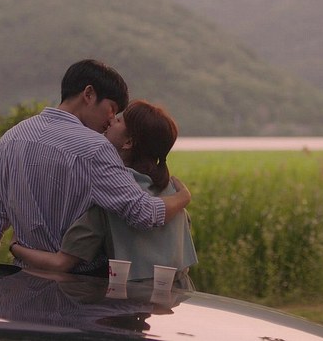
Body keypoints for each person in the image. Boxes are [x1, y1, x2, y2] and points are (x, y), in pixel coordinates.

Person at [0, 60, 191, 266]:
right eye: (112, 108)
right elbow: (142, 212)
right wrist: (182, 197)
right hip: (79, 288)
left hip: (21, 280)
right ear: (89, 94)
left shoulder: (11, 138)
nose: (111, 119)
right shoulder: (95, 148)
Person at [11, 100, 198, 289]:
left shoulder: (111, 197)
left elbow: (61, 264)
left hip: (134, 299)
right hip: (180, 296)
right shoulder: (173, 191)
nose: (111, 120)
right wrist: (185, 197)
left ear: (128, 142)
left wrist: (16, 247)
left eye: (119, 120)